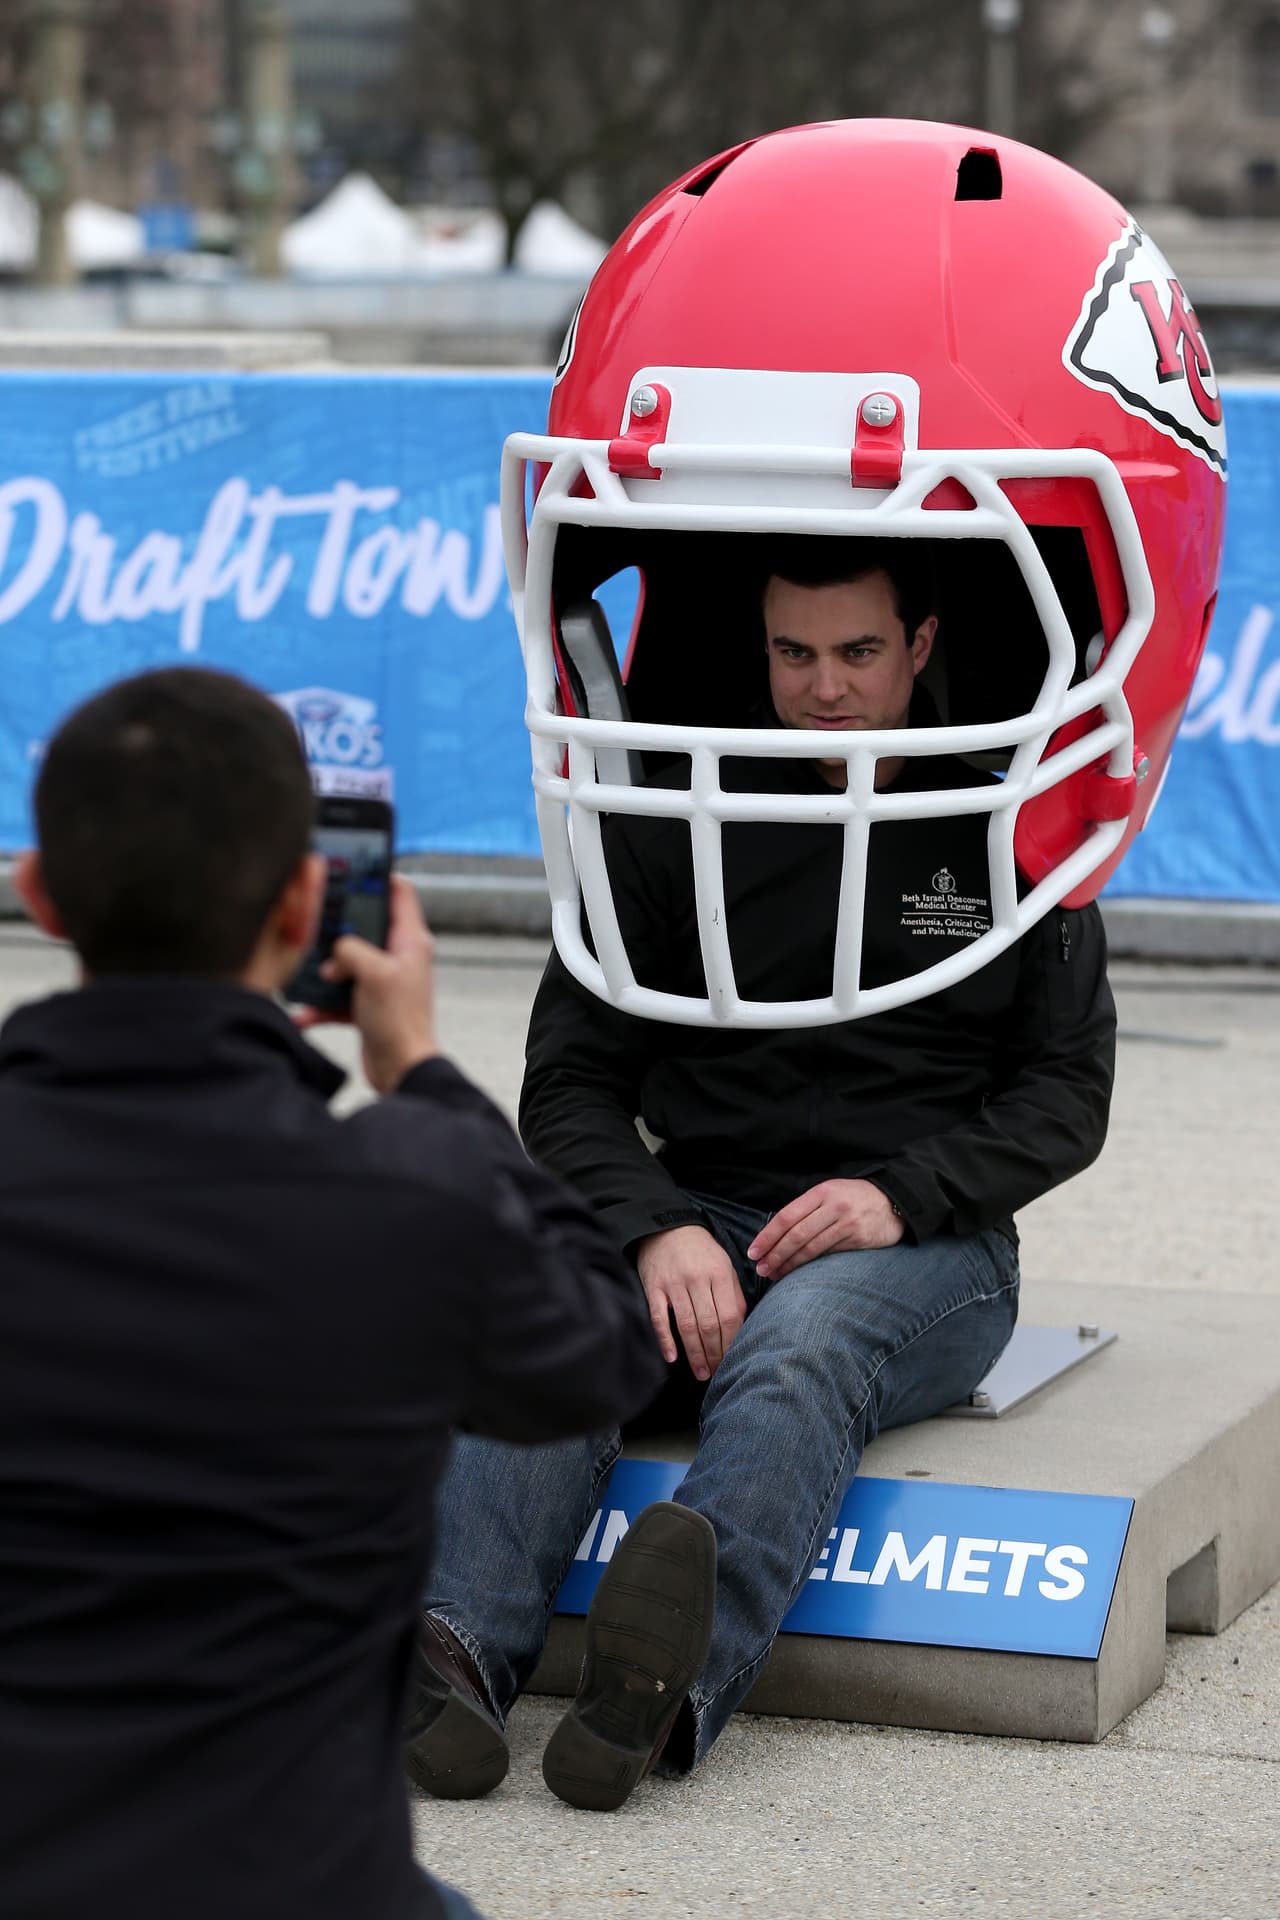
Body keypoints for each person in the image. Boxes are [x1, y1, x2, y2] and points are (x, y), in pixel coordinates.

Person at [406, 539, 1117, 1811]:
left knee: (801, 1343)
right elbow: (567, 1084)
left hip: (921, 1241)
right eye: (794, 652)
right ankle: (449, 1656)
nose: (823, 686)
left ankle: (660, 1688)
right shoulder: (680, 815)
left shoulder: (1009, 827)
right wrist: (649, 1226)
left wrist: (899, 1193)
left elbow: (1065, 1098)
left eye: (855, 653)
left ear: (918, 645)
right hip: (704, 1199)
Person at [0, 666, 663, 1920]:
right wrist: (423, 1076)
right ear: (308, 902)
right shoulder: (407, 1191)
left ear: (37, 896)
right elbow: (602, 1353)